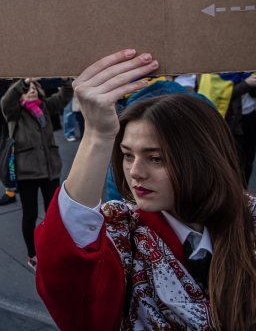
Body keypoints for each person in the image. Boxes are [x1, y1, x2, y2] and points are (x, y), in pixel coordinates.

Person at [35, 50, 256, 329]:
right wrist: (97, 135)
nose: (135, 172)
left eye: (156, 158)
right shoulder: (123, 233)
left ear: (204, 159)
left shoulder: (249, 219)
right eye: (127, 155)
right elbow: (64, 274)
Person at [1, 77, 72, 268]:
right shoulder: (14, 112)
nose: (31, 91)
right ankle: (32, 254)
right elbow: (6, 101)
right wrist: (23, 82)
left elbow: (65, 96)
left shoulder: (45, 107)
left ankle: (51, 247)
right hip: (27, 171)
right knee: (30, 214)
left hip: (50, 170)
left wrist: (66, 81)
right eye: (27, 89)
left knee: (53, 214)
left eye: (34, 88)